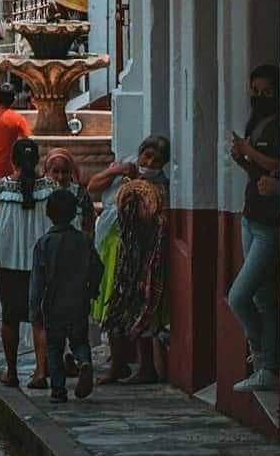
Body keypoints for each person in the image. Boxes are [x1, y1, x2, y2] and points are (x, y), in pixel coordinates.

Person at [89, 134, 171, 384]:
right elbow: (92, 186)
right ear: (140, 152)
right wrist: (117, 170)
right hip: (111, 246)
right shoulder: (123, 167)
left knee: (138, 305)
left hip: (139, 253)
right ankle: (118, 364)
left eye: (157, 160)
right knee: (111, 304)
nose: (150, 163)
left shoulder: (160, 185)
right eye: (147, 156)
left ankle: (146, 367)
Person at [0, 136, 53, 389]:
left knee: (10, 316)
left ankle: (11, 371)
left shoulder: (1, 188)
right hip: (40, 260)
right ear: (37, 160)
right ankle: (41, 371)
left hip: (9, 259)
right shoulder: (50, 188)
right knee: (40, 317)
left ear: (13, 161)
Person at [227, 63, 280, 393]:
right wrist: (242, 158)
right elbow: (259, 171)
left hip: (270, 225)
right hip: (250, 215)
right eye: (255, 92)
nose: (260, 97)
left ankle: (264, 358)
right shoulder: (257, 122)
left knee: (238, 296)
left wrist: (249, 151)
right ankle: (266, 368)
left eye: (267, 92)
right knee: (263, 297)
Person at [30, 188, 104, 403]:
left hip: (53, 303)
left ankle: (58, 390)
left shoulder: (44, 244)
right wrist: (92, 289)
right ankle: (84, 361)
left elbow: (37, 281)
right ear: (74, 214)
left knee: (54, 347)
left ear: (49, 213)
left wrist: (34, 309)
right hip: (79, 300)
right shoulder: (84, 241)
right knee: (79, 340)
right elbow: (98, 267)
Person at [43, 148, 96, 235]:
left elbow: (89, 227)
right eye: (55, 172)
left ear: (71, 172)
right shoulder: (40, 195)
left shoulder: (81, 195)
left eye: (64, 172)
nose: (60, 177)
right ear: (47, 172)